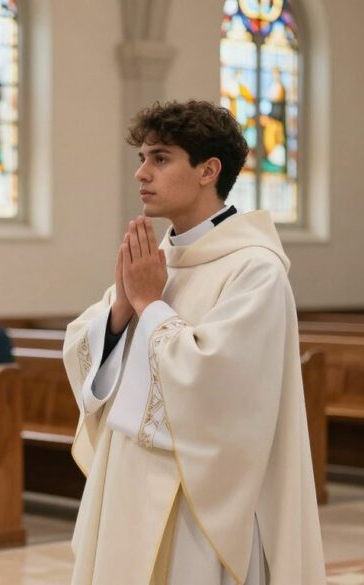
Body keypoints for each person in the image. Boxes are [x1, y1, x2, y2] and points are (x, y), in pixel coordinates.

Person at [62, 101, 325, 584]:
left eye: (160, 159)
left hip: (199, 498)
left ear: (209, 170)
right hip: (128, 479)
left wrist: (147, 305)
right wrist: (122, 309)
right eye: (143, 158)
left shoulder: (255, 269)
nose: (142, 173)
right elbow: (84, 348)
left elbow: (217, 384)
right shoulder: (159, 259)